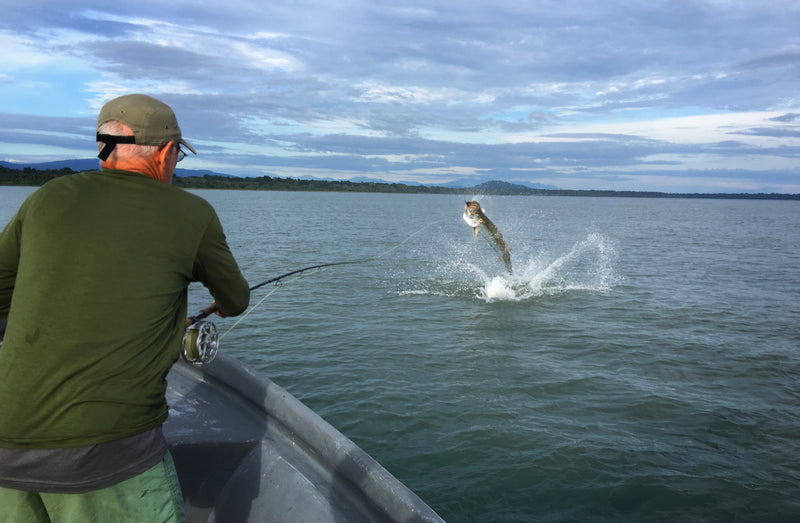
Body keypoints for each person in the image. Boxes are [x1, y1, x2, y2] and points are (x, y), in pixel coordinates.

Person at [0, 94, 250, 521]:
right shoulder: (192, 213)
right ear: (169, 152)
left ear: (103, 146)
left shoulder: (48, 196)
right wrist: (219, 309)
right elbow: (236, 298)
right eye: (178, 157)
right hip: (107, 451)